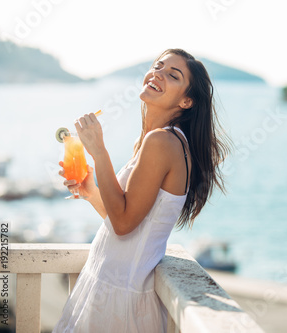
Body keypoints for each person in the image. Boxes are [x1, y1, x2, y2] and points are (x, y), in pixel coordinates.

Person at [53, 49, 229, 332]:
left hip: (119, 299)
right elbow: (128, 220)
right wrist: (90, 191)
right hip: (108, 285)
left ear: (187, 100)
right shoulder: (153, 140)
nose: (158, 73)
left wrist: (99, 152)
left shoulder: (162, 142)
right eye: (158, 66)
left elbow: (123, 225)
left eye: (173, 75)